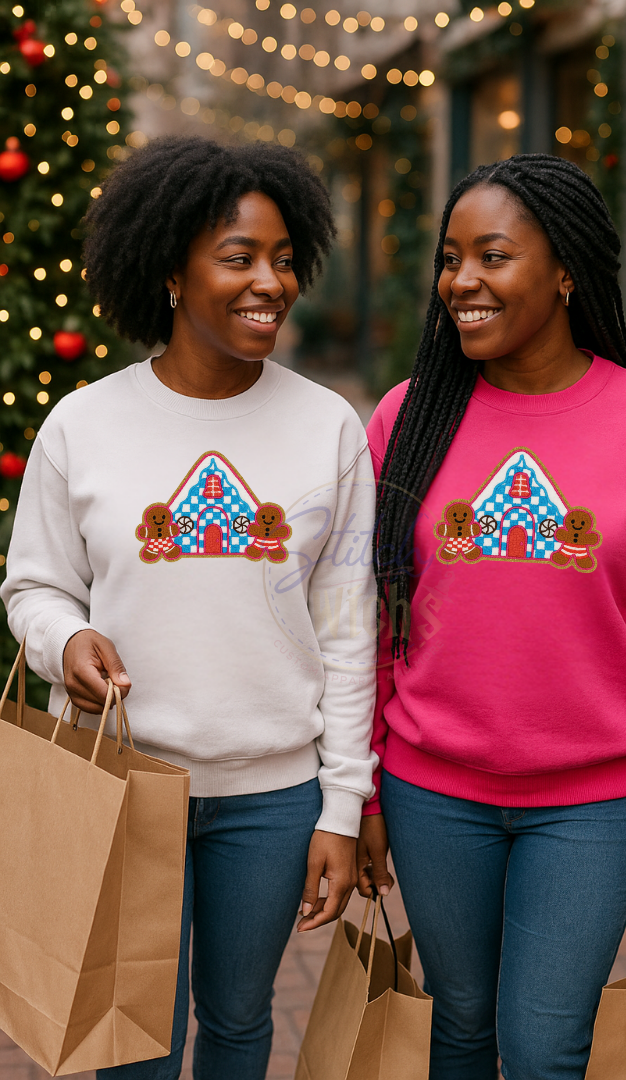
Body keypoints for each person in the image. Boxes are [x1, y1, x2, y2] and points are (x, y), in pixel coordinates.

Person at [2, 136, 377, 1080]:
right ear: (171, 271)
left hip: (273, 799)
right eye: (239, 256)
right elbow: (34, 587)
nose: (271, 282)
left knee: (242, 1027)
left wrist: (340, 807)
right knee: (129, 1044)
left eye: (286, 258)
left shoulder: (327, 423)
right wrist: (67, 639)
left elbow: (349, 628)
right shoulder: (82, 425)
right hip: (123, 788)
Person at [357, 154, 626, 1080]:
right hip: (432, 791)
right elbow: (374, 626)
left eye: (492, 256)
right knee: (459, 1030)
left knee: (548, 1044)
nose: (461, 282)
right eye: (450, 258)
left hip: (594, 805)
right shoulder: (407, 417)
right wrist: (360, 790)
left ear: (565, 271)